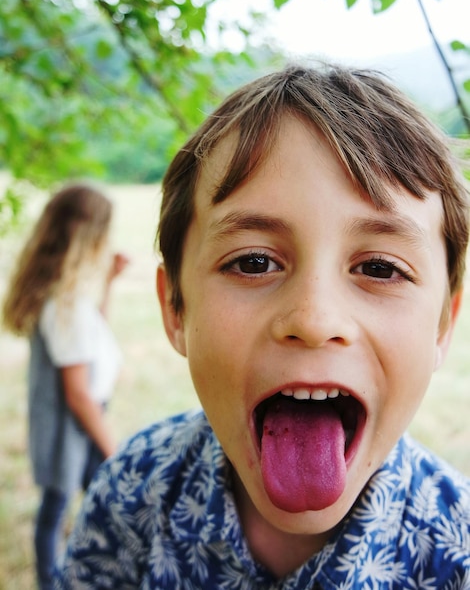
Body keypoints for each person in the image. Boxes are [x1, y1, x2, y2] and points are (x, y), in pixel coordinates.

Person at [54, 65, 470, 588]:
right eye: (252, 262)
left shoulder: (457, 554)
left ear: (441, 326)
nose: (314, 321)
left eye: (380, 268)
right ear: (176, 309)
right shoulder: (132, 489)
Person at [2, 182, 129, 590]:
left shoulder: (68, 299)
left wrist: (109, 283)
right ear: (86, 236)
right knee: (55, 510)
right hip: (73, 426)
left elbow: (94, 340)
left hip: (83, 419)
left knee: (98, 499)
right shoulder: (64, 307)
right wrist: (116, 450)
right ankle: (49, 582)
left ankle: (93, 571)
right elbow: (78, 394)